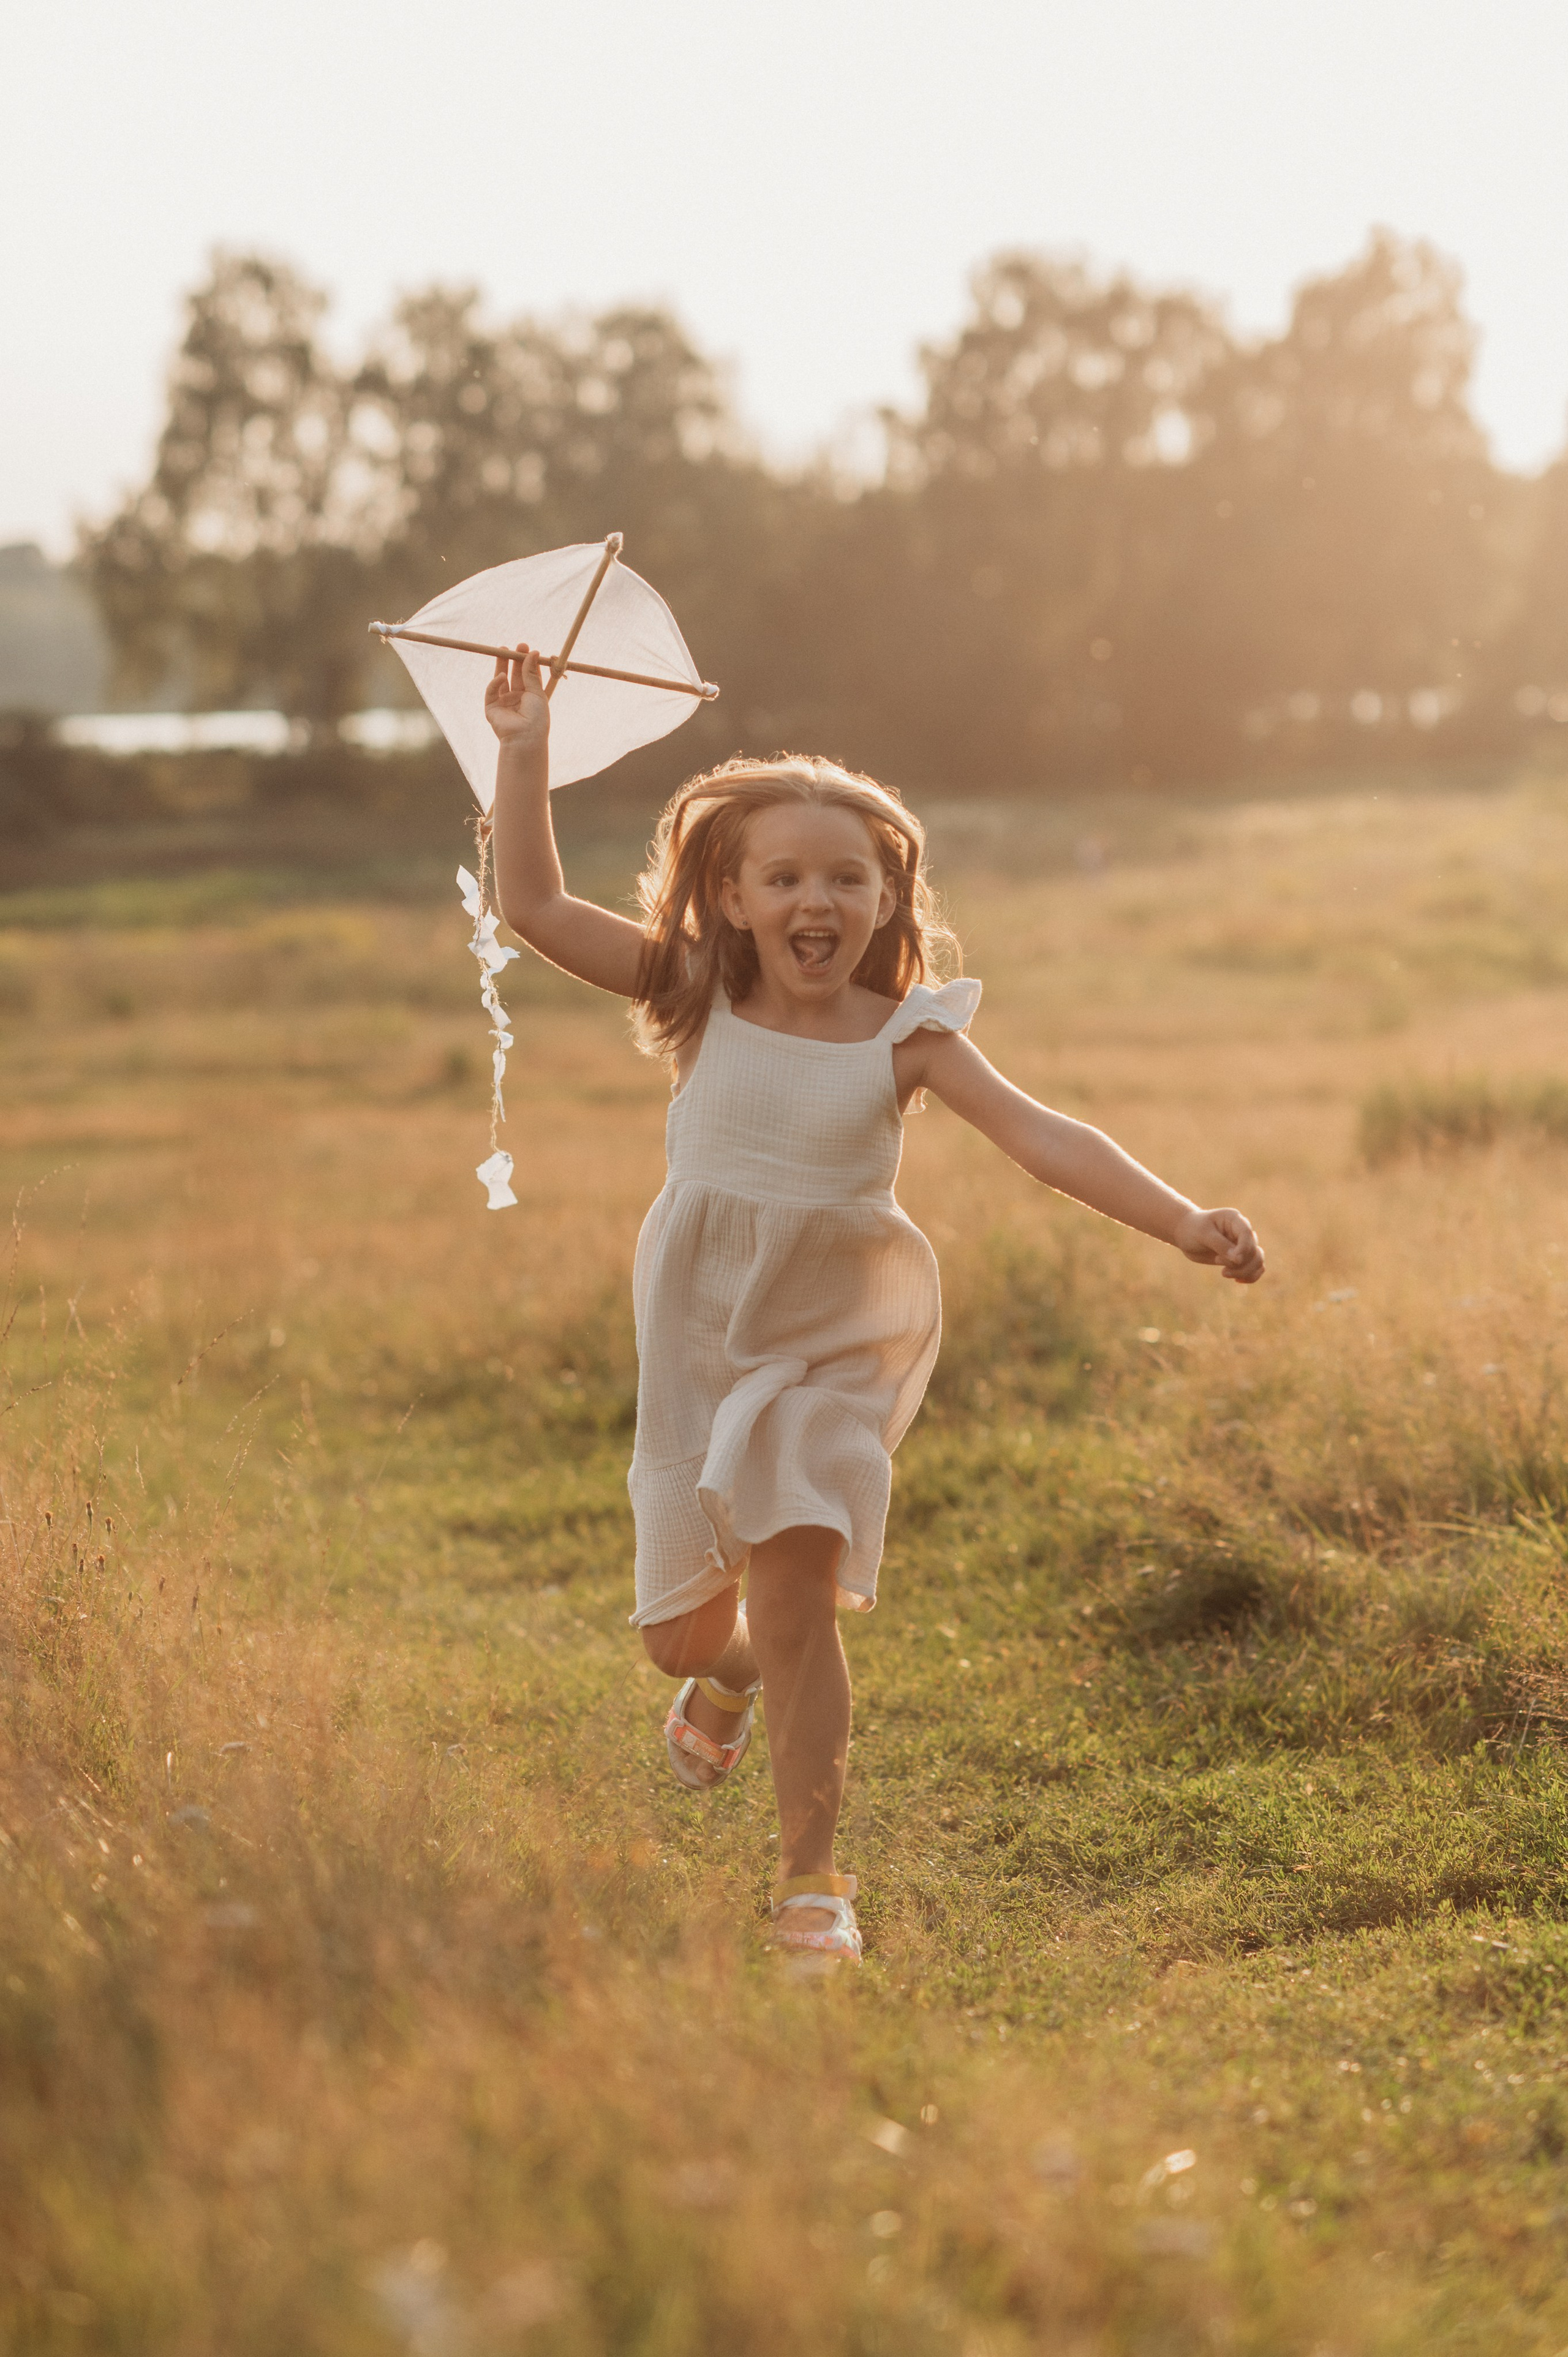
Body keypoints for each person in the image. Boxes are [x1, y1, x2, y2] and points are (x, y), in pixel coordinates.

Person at [486, 646, 1265, 1967]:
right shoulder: (699, 995)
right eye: (782, 875)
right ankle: (721, 1674)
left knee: (794, 1596)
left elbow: (1044, 1137)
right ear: (727, 897)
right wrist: (521, 749)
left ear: (886, 894)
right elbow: (537, 907)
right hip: (697, 1347)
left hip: (832, 1352)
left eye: (847, 877)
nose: (816, 898)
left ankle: (810, 1886)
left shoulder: (907, 1033)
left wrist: (1184, 1218)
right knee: (684, 1626)